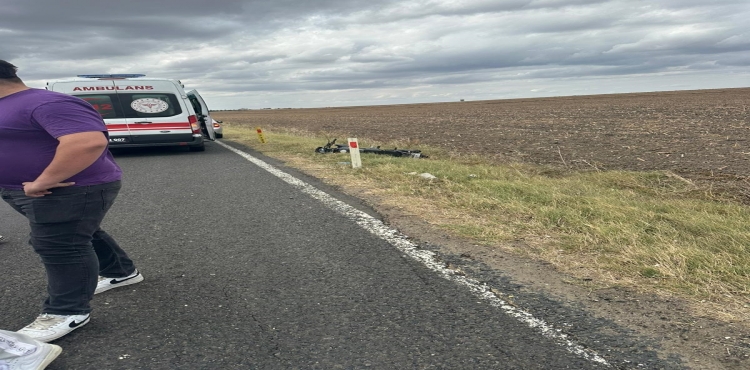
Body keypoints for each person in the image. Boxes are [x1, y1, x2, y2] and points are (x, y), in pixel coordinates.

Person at [0, 60, 143, 343]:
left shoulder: (47, 102)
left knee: (59, 244)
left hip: (71, 188)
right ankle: (121, 271)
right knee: (79, 232)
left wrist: (43, 180)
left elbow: (87, 142)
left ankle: (66, 312)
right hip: (23, 190)